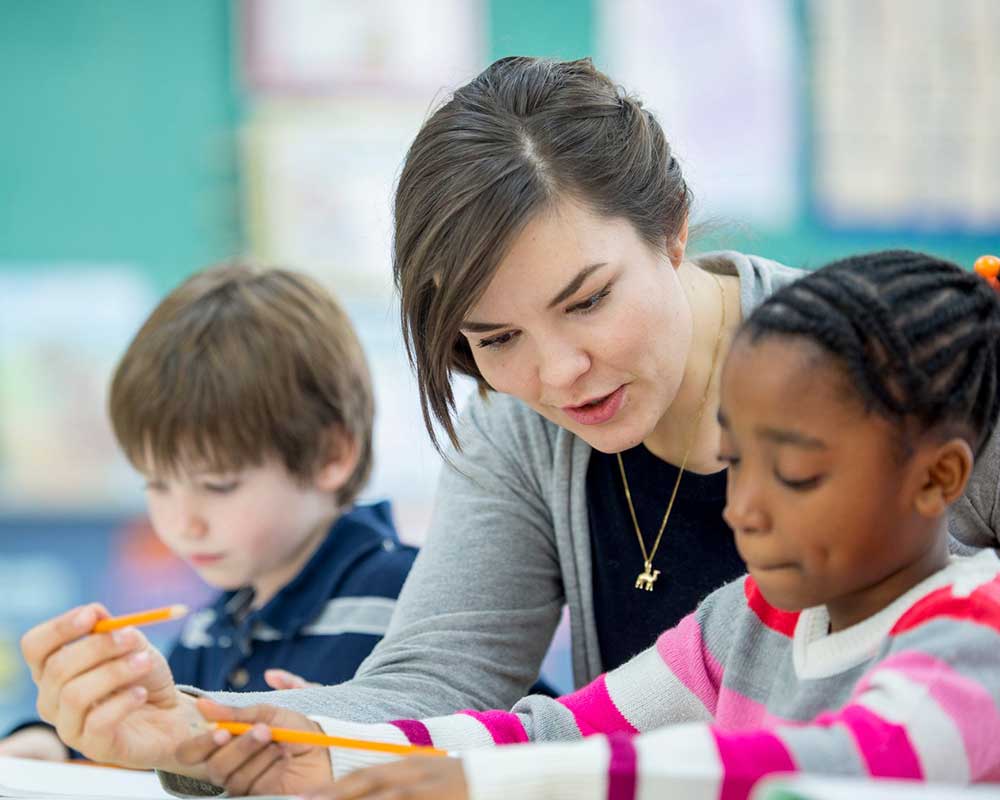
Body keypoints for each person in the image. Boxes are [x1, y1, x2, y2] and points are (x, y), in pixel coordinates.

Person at [16, 58, 999, 786]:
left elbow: (801, 757)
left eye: (588, 300)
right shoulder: (704, 611)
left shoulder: (905, 363)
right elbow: (474, 702)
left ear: (671, 228)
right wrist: (199, 726)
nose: (557, 373)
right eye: (495, 338)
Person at [172, 249, 1000, 799]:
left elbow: (828, 769)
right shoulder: (744, 618)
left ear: (938, 478)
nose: (742, 507)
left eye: (796, 473)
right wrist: (325, 743)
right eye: (736, 460)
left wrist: (494, 786)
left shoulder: (976, 632)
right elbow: (563, 728)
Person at [2, 263, 416, 760]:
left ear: (330, 456)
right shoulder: (213, 627)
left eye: (219, 485)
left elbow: (481, 743)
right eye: (156, 484)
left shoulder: (412, 602)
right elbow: (156, 743)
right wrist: (52, 743)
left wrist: (345, 739)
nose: (183, 524)